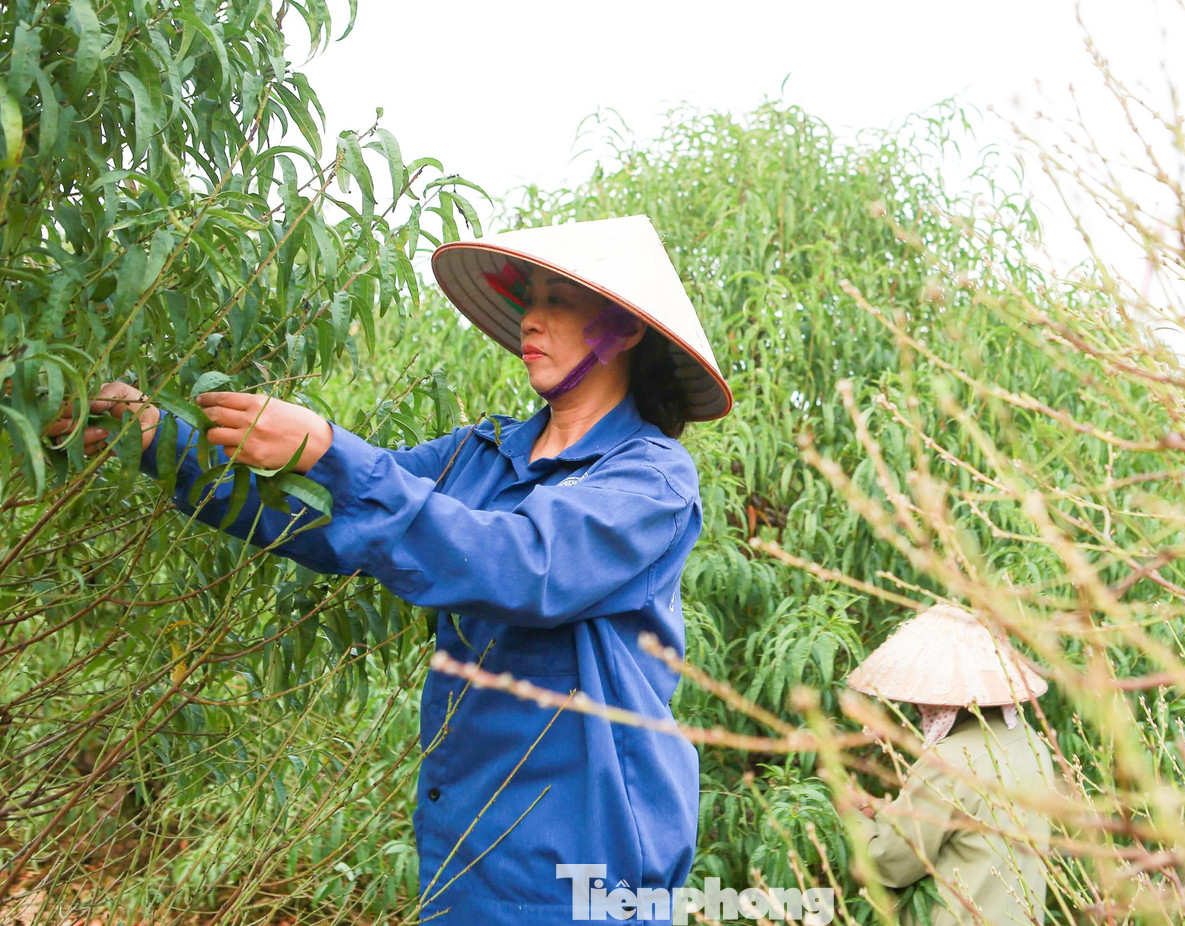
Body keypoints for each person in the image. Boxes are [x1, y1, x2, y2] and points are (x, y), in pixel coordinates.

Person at [49, 215, 732, 924]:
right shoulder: (482, 453)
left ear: (621, 332)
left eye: (558, 299)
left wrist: (333, 452)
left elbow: (527, 566)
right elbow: (329, 515)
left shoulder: (651, 480)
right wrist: (160, 437)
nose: (531, 318)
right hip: (473, 846)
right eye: (528, 298)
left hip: (591, 861)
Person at [841, 603, 1056, 926]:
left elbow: (892, 863)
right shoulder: (1031, 744)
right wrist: (885, 814)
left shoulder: (947, 762)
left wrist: (854, 819)